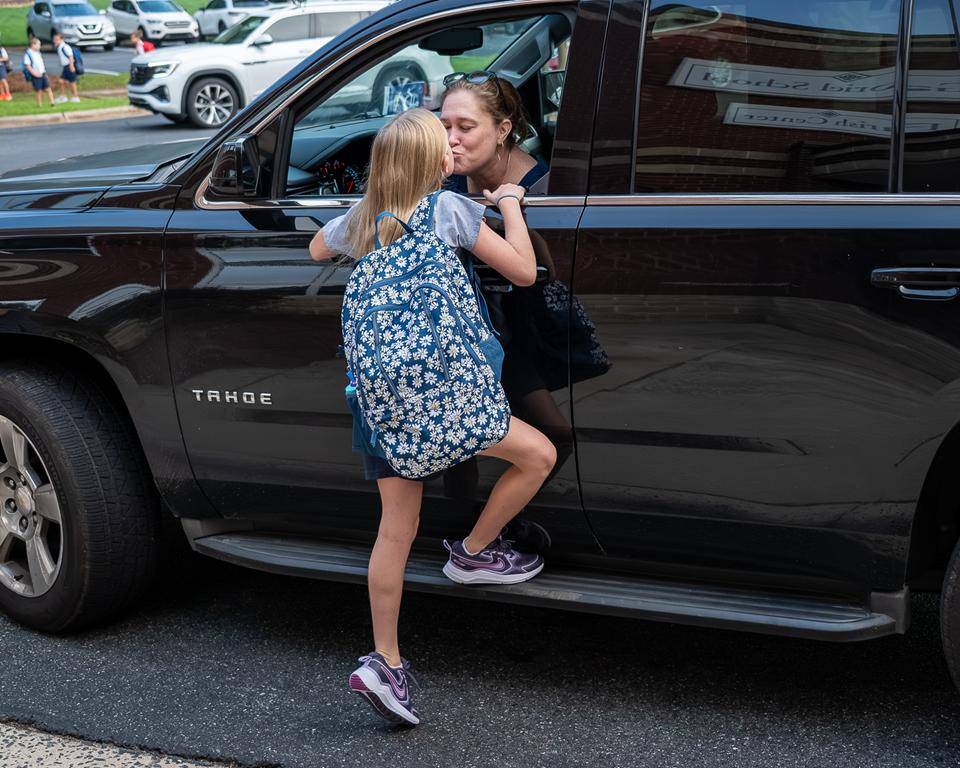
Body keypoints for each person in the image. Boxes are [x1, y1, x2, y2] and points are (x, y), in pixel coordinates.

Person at [308, 107, 557, 727]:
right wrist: (512, 206)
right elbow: (524, 271)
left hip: (381, 404)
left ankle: (384, 660)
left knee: (395, 528)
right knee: (539, 455)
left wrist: (365, 210)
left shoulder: (363, 219)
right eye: (444, 140)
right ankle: (473, 552)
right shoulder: (448, 210)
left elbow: (316, 247)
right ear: (436, 162)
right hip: (446, 397)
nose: (453, 143)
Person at [439, 70, 549, 195]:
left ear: (502, 131)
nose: (450, 139)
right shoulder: (446, 178)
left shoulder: (541, 191)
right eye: (446, 126)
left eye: (465, 127)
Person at [23, 38, 55, 108]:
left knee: (48, 88)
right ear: (33, 45)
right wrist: (34, 73)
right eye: (38, 44)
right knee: (39, 90)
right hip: (36, 75)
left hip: (43, 73)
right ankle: (39, 104)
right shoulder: (28, 54)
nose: (40, 46)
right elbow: (27, 66)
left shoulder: (38, 53)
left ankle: (52, 103)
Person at [53, 33, 80, 103]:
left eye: (57, 39)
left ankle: (76, 97)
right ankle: (63, 96)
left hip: (69, 66)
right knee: (61, 81)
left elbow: (71, 56)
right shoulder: (60, 47)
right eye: (54, 40)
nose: (55, 41)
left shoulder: (65, 47)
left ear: (61, 39)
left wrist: (71, 66)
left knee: (72, 82)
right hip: (65, 67)